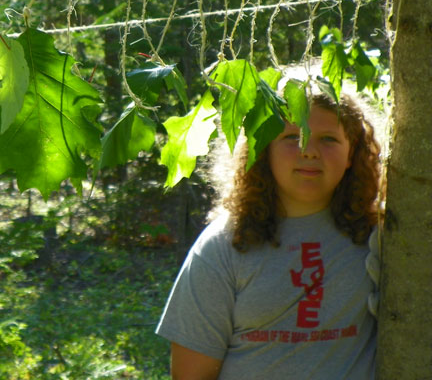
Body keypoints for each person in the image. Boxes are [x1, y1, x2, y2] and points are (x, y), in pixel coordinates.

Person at [156, 87, 382, 380]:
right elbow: (190, 375)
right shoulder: (224, 244)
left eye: (328, 139)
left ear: (352, 152)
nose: (309, 150)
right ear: (264, 148)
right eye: (291, 137)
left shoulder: (380, 237)